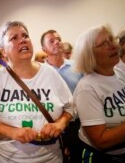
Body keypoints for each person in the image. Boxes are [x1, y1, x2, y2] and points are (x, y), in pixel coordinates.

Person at [0, 21, 75, 163]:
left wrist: (60, 124)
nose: (22, 40)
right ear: (4, 51)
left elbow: (70, 108)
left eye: (25, 36)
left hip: (51, 158)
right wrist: (12, 132)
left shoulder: (50, 73)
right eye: (14, 38)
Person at [72, 24, 125, 162]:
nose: (113, 46)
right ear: (89, 55)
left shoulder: (119, 74)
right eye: (103, 44)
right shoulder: (87, 88)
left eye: (111, 40)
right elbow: (101, 141)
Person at [40, 30, 83, 162]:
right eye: (51, 41)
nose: (57, 42)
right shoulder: (39, 71)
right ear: (44, 49)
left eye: (58, 39)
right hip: (52, 125)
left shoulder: (78, 66)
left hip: (77, 123)